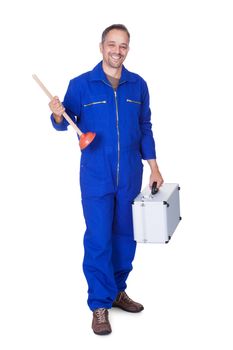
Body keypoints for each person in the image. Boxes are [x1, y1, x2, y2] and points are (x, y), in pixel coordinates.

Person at [49, 24, 163, 335]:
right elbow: (63, 124)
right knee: (99, 238)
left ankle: (116, 291)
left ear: (128, 49)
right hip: (96, 176)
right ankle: (99, 303)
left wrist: (153, 167)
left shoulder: (137, 85)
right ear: (101, 47)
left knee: (126, 237)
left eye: (123, 45)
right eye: (112, 44)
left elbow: (145, 128)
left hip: (130, 175)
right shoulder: (81, 85)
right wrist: (58, 113)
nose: (117, 50)